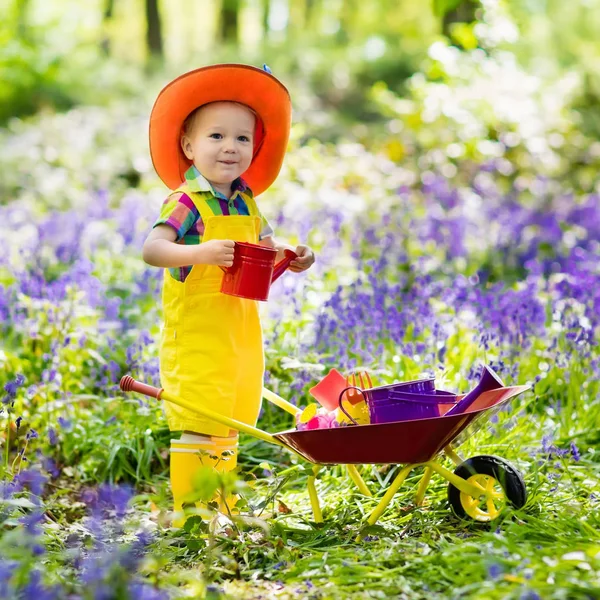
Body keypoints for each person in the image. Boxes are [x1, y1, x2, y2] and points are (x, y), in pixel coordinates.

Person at [142, 64, 315, 525]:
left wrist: (292, 255)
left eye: (242, 139)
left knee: (231, 413)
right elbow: (153, 249)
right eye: (216, 136)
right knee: (200, 413)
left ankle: (222, 509)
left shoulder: (245, 200)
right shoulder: (186, 201)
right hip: (197, 330)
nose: (230, 147)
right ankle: (195, 517)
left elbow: (265, 244)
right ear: (188, 146)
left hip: (238, 327)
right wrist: (200, 252)